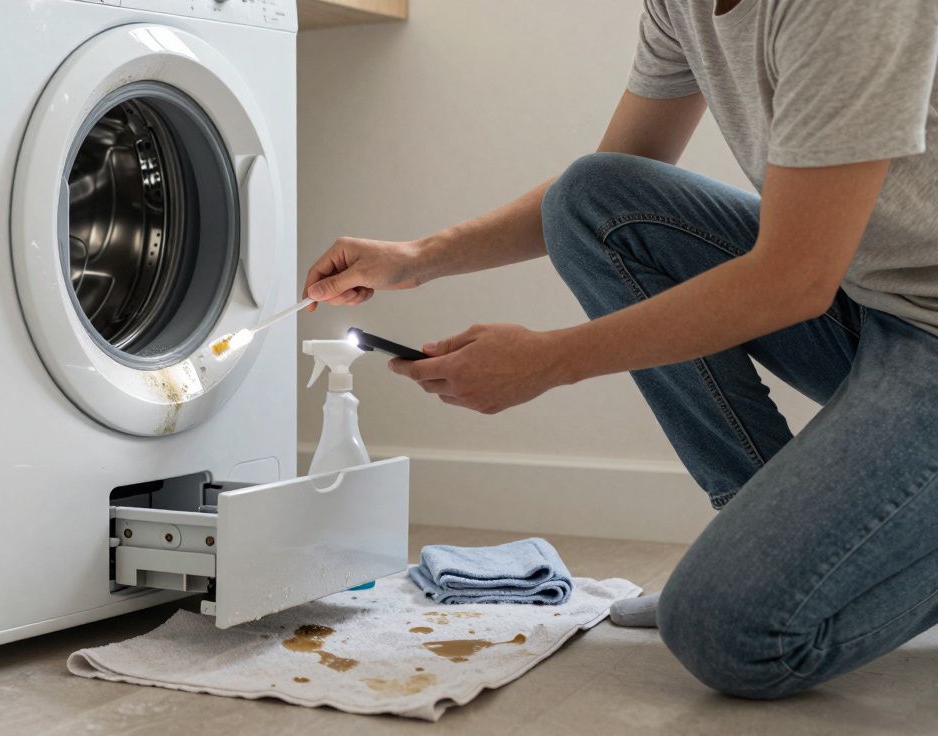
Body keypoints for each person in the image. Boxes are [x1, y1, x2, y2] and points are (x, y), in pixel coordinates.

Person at [302, 0, 938, 699]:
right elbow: (610, 182)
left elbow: (792, 282)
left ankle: (774, 579)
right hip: (872, 306)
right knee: (592, 196)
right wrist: (417, 257)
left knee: (728, 633)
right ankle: (761, 532)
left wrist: (548, 361)